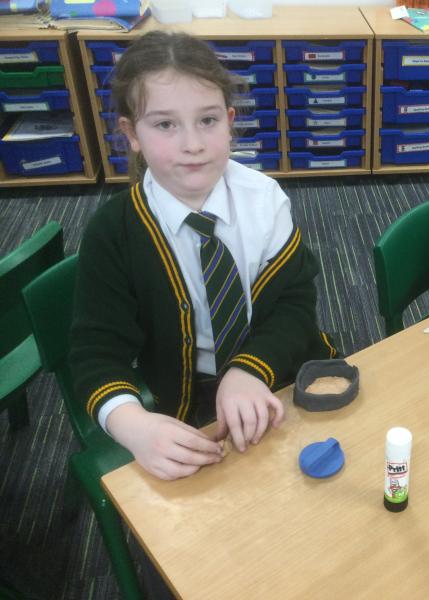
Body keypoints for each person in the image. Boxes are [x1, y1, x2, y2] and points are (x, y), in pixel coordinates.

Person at [70, 30, 336, 482]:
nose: (192, 144)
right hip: (185, 395)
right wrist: (133, 425)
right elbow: (95, 354)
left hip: (274, 366)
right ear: (131, 134)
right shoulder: (114, 232)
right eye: (165, 125)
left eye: (208, 120)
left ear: (230, 121)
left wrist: (249, 370)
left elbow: (294, 303)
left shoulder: (264, 199)